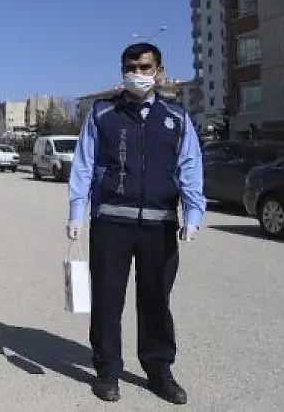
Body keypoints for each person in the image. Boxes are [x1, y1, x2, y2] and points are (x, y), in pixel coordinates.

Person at [66, 42, 205, 405]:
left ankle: (158, 370)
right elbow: (84, 163)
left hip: (159, 225)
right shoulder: (102, 113)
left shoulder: (176, 118)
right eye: (131, 67)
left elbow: (189, 165)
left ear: (158, 72)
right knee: (108, 301)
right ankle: (108, 371)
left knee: (156, 299)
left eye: (145, 67)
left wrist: (193, 213)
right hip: (112, 221)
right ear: (122, 71)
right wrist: (76, 212)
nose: (137, 73)